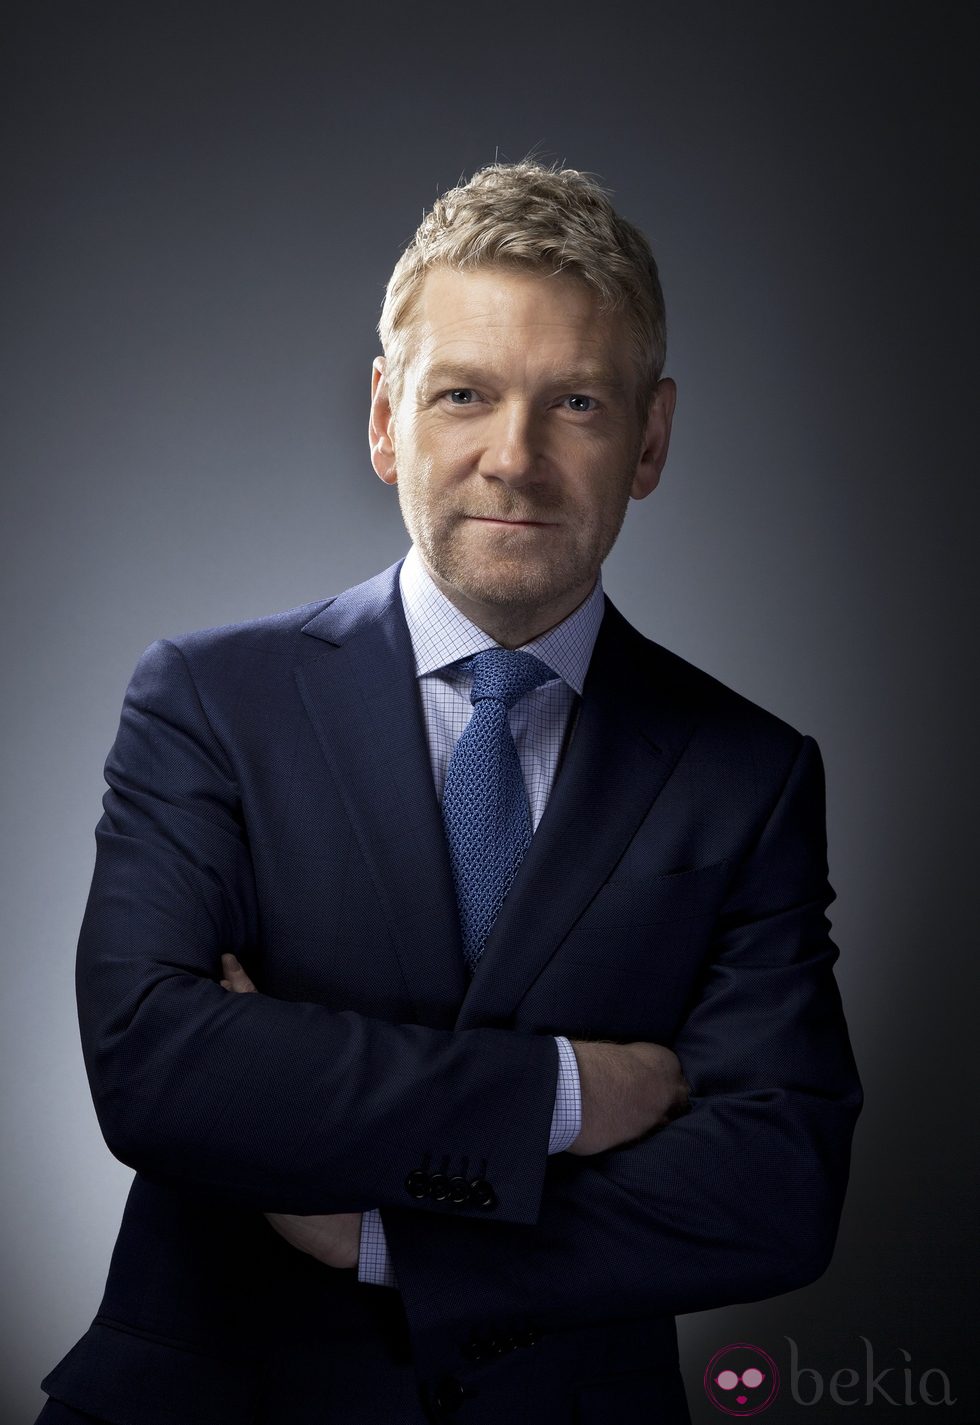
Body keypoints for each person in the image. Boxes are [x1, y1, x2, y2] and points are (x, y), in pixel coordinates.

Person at [35, 160, 862, 1425]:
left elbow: (774, 1187)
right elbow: (153, 1065)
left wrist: (385, 1238)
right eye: (463, 394)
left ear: (648, 439)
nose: (513, 460)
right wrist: (569, 1095)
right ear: (386, 419)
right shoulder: (210, 701)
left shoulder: (746, 773)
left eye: (575, 403)